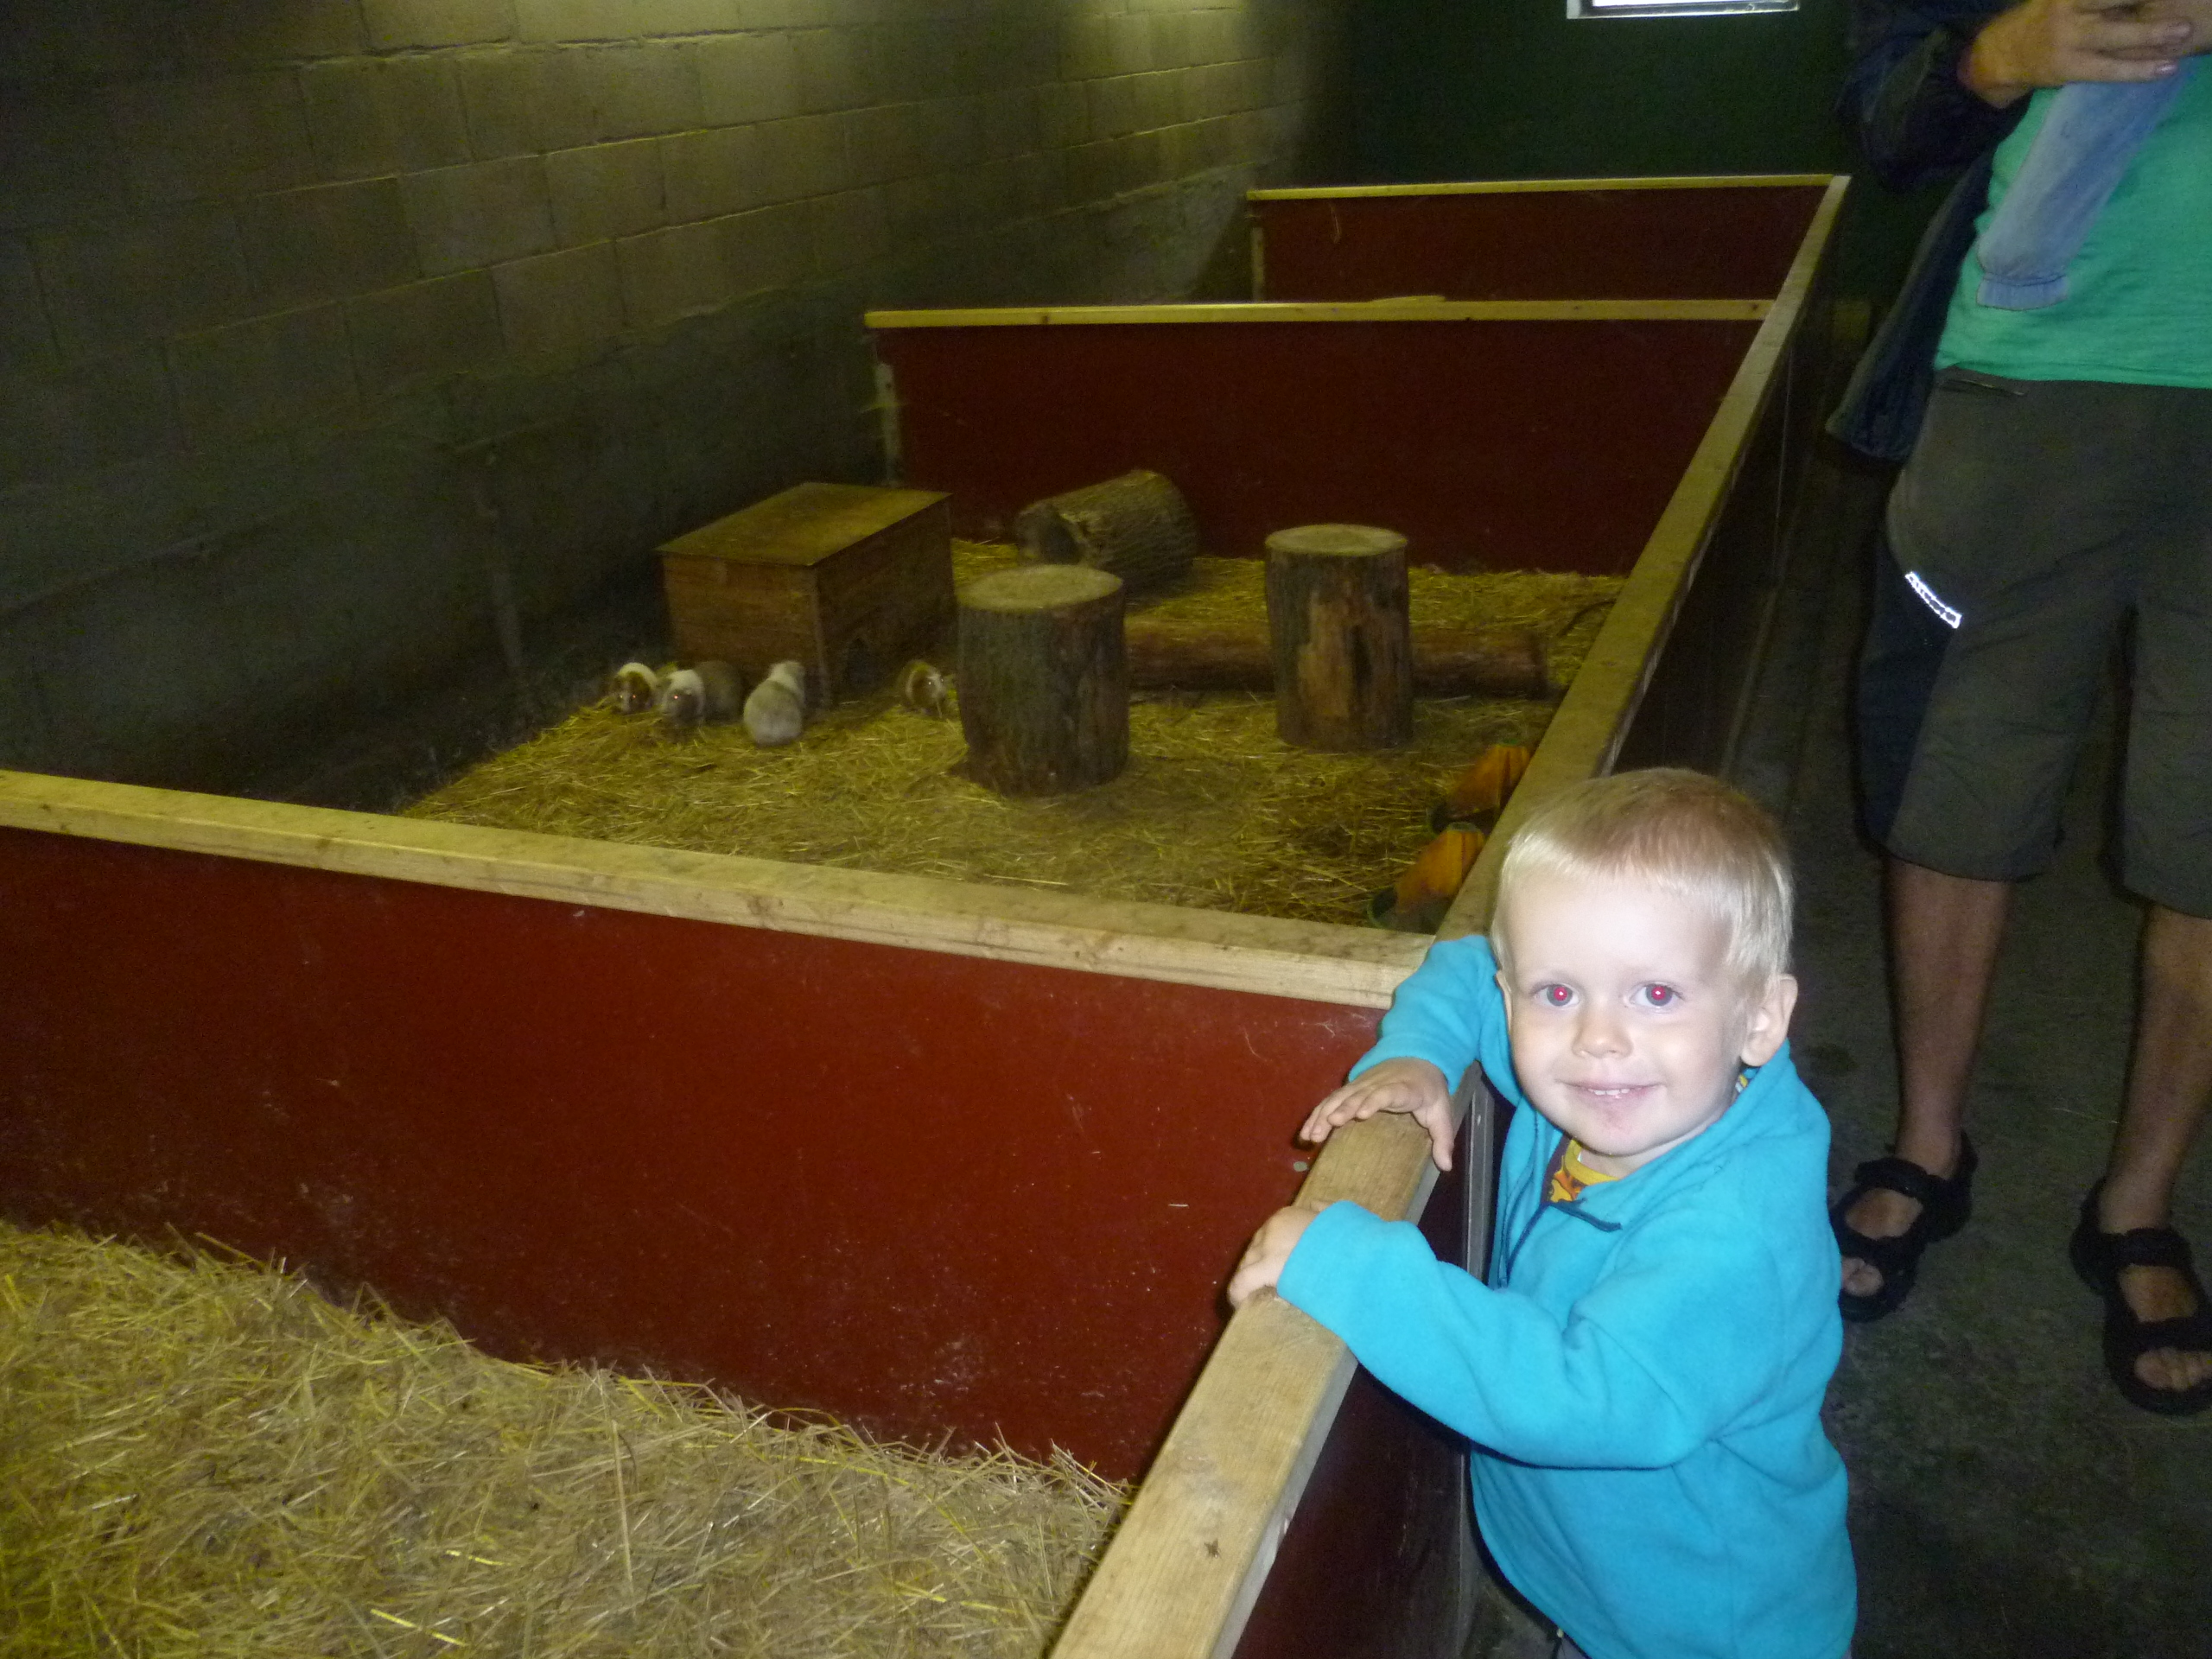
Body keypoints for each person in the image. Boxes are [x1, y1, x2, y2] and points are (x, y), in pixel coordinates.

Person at [1229, 770, 1854, 1659]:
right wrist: (1419, 1057)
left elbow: (1585, 1399)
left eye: (1657, 995)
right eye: (1558, 993)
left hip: (1706, 1625)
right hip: (1608, 1583)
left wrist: (1348, 1269)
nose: (1598, 1039)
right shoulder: (1619, 1083)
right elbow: (1466, 972)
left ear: (1760, 1019)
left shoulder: (1737, 1233)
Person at [1827, 0, 2212, 1414]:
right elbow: (1885, 114)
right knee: (1958, 781)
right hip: (2030, 375)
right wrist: (2003, 50)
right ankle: (1929, 1142)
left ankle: (2139, 1199)